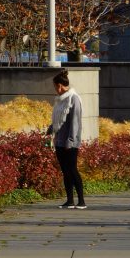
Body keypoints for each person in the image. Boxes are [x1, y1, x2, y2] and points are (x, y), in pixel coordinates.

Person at [46, 69, 85, 209]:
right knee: (65, 171)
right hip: (60, 140)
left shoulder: (73, 98)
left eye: (55, 86)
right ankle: (69, 200)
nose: (55, 90)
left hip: (70, 142)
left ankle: (81, 201)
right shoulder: (60, 100)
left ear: (59, 86)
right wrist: (51, 128)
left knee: (73, 170)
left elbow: (75, 122)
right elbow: (58, 118)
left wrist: (71, 140)